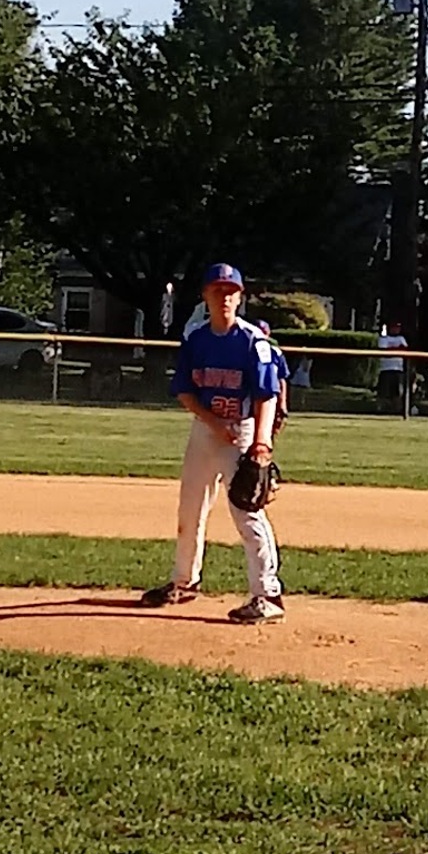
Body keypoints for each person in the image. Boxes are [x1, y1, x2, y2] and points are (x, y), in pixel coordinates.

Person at [141, 263, 284, 624]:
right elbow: (185, 392)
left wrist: (262, 444)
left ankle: (268, 595)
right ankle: (184, 581)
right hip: (207, 432)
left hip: (244, 433)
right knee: (190, 510)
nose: (224, 297)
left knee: (247, 513)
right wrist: (213, 422)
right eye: (217, 291)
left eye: (231, 291)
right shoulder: (197, 340)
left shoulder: (254, 342)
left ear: (240, 297)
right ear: (205, 296)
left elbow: (267, 395)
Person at [256, 320, 289, 429]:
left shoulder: (275, 352)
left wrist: (282, 403)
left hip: (271, 396)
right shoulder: (245, 349)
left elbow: (281, 379)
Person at [376, 321, 408, 412]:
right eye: (394, 327)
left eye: (398, 327)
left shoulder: (401, 338)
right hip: (385, 369)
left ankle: (397, 411)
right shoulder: (384, 339)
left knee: (397, 393)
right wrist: (397, 349)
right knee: (383, 392)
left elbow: (405, 350)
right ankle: (380, 410)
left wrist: (394, 349)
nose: (396, 329)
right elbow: (385, 352)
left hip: (398, 369)